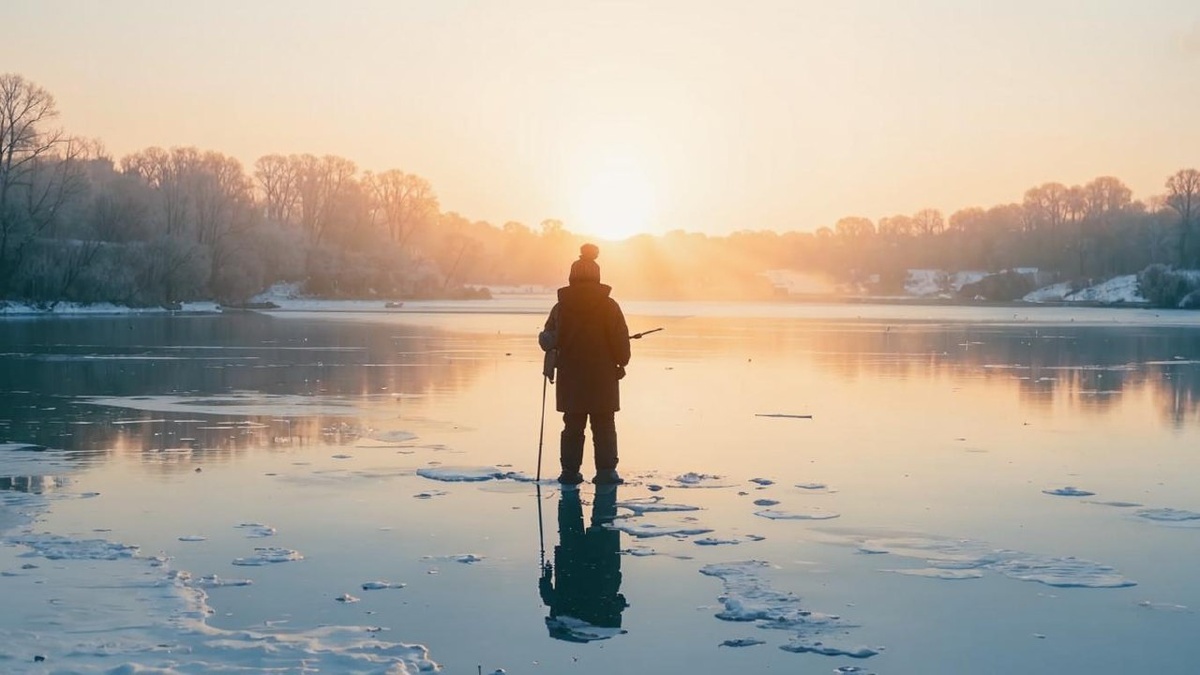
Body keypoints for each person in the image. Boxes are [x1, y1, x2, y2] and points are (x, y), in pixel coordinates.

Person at [539, 243, 631, 486]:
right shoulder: (610, 307)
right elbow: (620, 339)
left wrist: (547, 339)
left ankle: (569, 473)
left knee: (572, 426)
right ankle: (606, 472)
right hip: (603, 377)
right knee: (604, 425)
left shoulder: (561, 307)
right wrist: (621, 362)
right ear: (597, 275)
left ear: (572, 276)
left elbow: (548, 339)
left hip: (571, 377)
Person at [539, 486, 628, 641]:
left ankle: (603, 479)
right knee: (570, 514)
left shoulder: (606, 620)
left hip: (603, 563)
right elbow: (546, 590)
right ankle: (571, 486)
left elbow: (620, 600)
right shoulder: (560, 611)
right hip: (570, 557)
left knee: (604, 516)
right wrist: (546, 572)